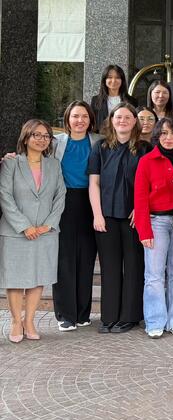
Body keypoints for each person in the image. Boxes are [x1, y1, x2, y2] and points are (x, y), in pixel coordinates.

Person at [0, 119, 66, 343]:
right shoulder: (11, 163)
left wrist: (49, 224)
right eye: (36, 135)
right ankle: (15, 321)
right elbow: (5, 196)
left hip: (45, 232)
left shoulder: (54, 165)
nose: (41, 139)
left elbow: (60, 195)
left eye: (46, 136)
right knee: (15, 279)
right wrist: (24, 226)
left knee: (39, 277)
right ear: (26, 137)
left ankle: (29, 321)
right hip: (15, 232)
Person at [88, 102, 150, 333]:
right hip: (106, 217)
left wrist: (140, 208)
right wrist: (97, 214)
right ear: (111, 120)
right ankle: (109, 317)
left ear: (135, 122)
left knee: (134, 266)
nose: (122, 121)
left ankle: (129, 317)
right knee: (110, 267)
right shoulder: (101, 147)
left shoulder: (145, 148)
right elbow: (94, 183)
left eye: (127, 117)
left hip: (134, 217)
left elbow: (150, 183)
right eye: (118, 117)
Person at [134, 117, 173, 339]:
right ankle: (155, 321)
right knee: (154, 274)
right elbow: (140, 198)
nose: (169, 138)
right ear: (157, 135)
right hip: (156, 221)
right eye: (164, 133)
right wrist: (144, 231)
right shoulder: (147, 161)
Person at [52, 101, 102, 332]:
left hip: (91, 201)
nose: (79, 120)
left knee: (86, 258)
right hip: (63, 201)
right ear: (67, 119)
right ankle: (65, 314)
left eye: (84, 116)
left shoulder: (99, 141)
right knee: (64, 259)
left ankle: (83, 313)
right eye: (75, 116)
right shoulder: (55, 142)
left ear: (90, 119)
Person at [90, 64, 137, 133]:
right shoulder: (96, 100)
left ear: (122, 80)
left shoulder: (132, 101)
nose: (113, 80)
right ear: (104, 80)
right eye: (110, 77)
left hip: (125, 136)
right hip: (102, 136)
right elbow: (92, 122)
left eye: (117, 77)